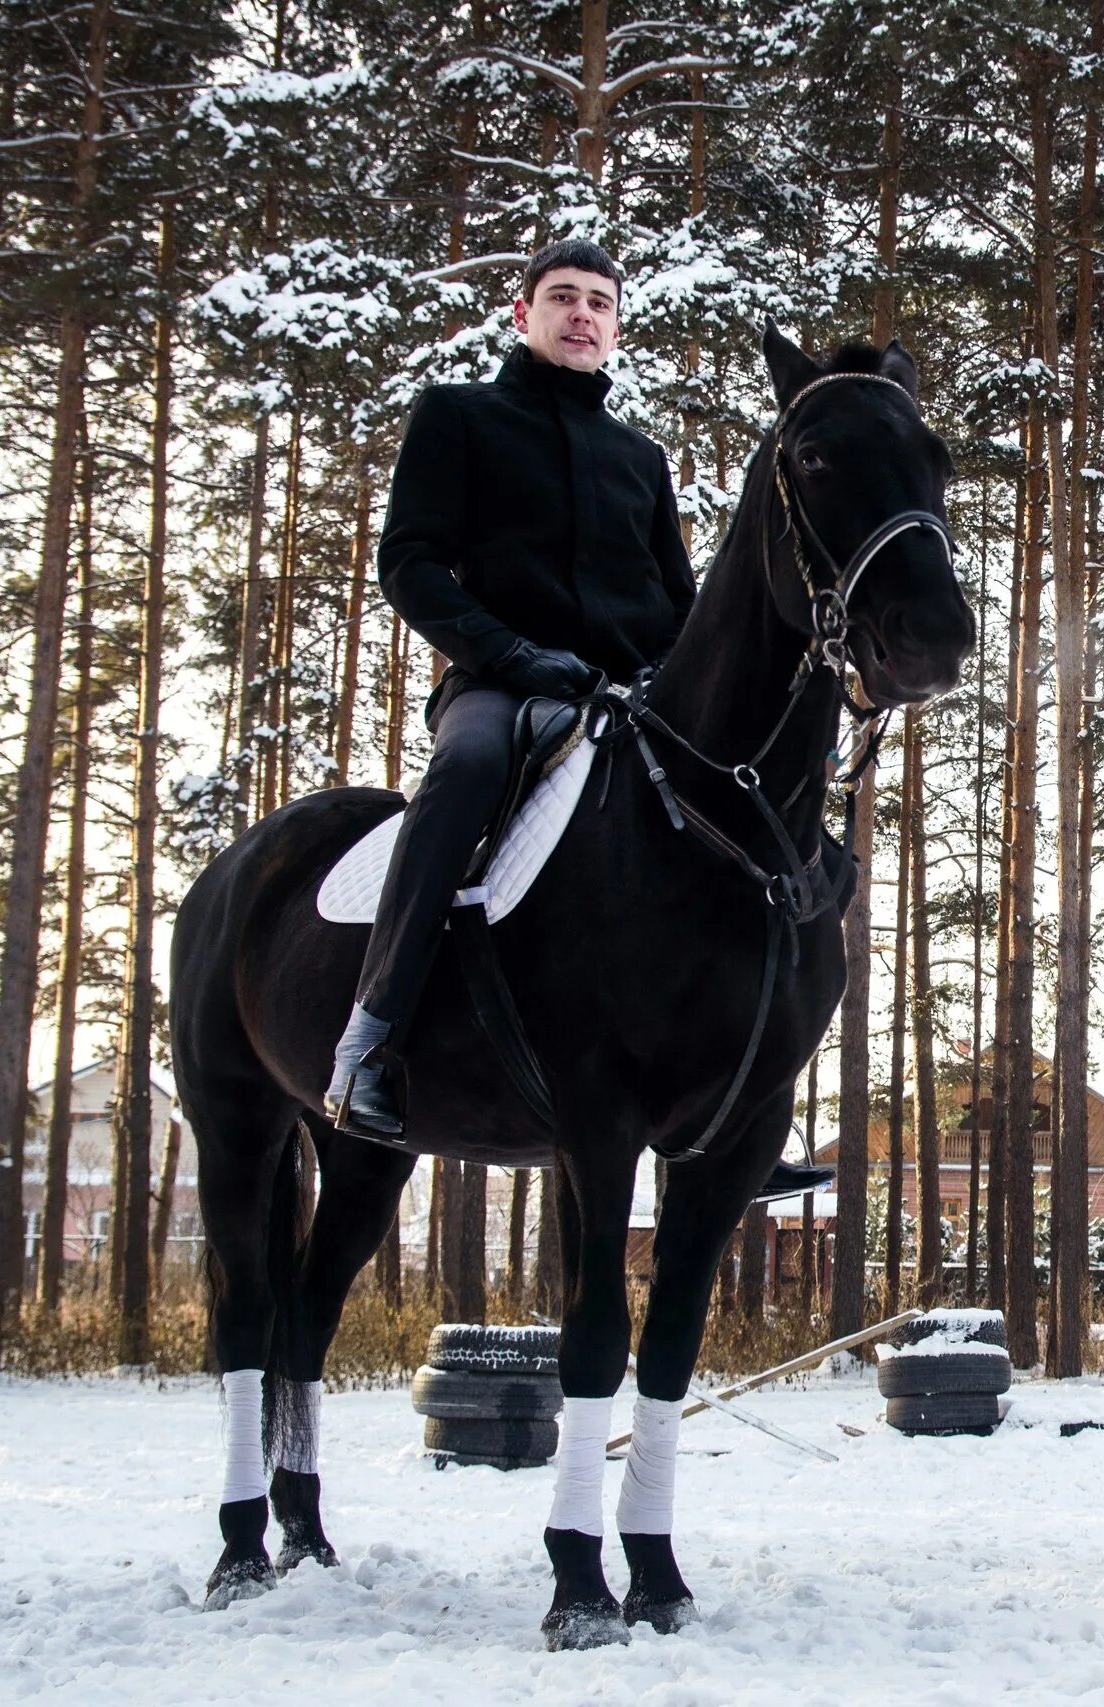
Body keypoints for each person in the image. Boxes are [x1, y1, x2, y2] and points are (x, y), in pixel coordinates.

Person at [325, 237, 832, 1204]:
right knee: (464, 772)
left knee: (769, 825)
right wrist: (508, 655)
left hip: (627, 697)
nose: (583, 315)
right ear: (524, 315)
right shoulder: (458, 417)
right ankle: (373, 1036)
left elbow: (679, 604)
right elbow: (411, 565)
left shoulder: (640, 458)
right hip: (501, 685)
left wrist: (687, 691)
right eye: (563, 298)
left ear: (615, 326)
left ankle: (747, 1098)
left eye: (600, 302)